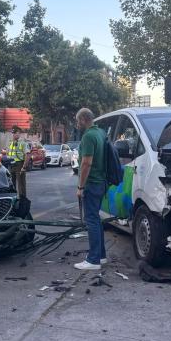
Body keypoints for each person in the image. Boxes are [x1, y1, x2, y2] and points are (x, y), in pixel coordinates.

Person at [73, 108, 109, 271]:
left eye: (77, 120)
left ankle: (93, 260)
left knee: (92, 220)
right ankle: (101, 256)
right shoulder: (100, 133)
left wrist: (80, 187)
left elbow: (86, 163)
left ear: (83, 120)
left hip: (92, 183)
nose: (76, 124)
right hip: (101, 182)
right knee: (96, 219)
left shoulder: (88, 136)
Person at [6, 127, 32, 198]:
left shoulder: (23, 143)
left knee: (21, 184)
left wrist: (24, 167)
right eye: (13, 133)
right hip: (11, 165)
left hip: (19, 165)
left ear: (19, 134)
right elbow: (8, 153)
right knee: (11, 184)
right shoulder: (11, 142)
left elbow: (28, 155)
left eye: (15, 133)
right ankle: (13, 199)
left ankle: (22, 201)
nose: (14, 135)